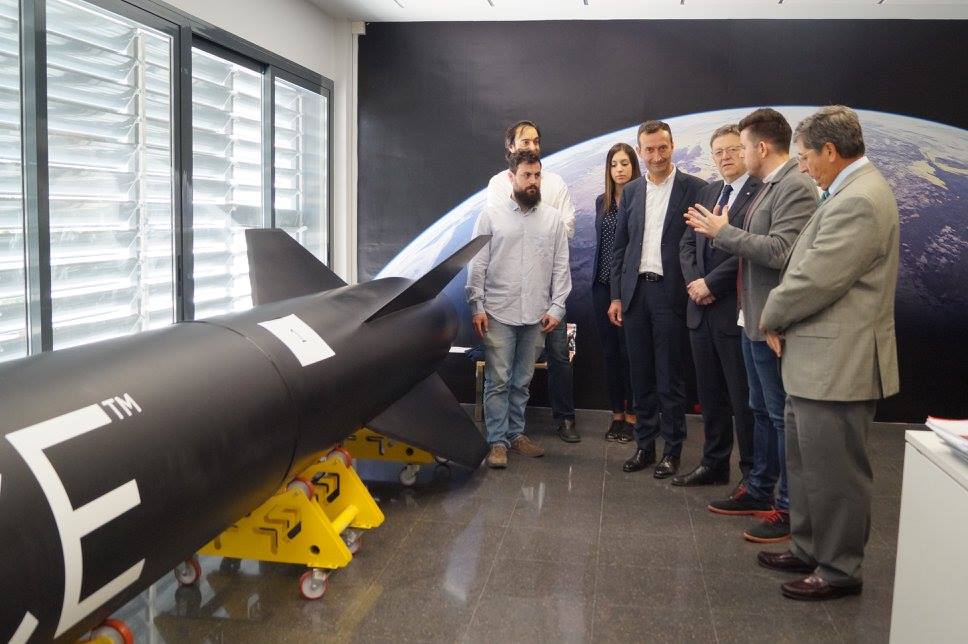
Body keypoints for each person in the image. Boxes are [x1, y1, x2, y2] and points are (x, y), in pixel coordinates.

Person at [756, 106, 899, 601]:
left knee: (836, 475)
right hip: (818, 362)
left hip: (839, 365)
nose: (803, 166)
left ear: (831, 151)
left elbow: (815, 279)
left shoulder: (859, 199)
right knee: (808, 466)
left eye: (806, 157)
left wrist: (771, 314)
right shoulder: (848, 191)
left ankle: (838, 569)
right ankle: (809, 546)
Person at [684, 107, 815, 543]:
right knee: (761, 410)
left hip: (771, 319)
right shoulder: (773, 186)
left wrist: (722, 232)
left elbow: (779, 251)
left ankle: (787, 507)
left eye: (740, 147)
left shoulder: (793, 186)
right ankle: (760, 489)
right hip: (752, 315)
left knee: (778, 416)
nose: (736, 155)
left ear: (760, 147)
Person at [608, 121, 706, 478]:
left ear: (672, 146)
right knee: (641, 376)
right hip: (635, 295)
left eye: (662, 147)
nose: (656, 155)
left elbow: (700, 246)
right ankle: (644, 446)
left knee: (670, 377)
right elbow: (620, 248)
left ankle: (673, 450)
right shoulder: (633, 191)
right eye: (649, 149)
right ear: (640, 151)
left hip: (671, 294)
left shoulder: (695, 188)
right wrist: (616, 296)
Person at [468, 149, 572, 469]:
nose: (533, 181)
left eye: (537, 175)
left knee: (522, 380)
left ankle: (516, 434)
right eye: (526, 175)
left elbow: (561, 266)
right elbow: (477, 264)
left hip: (537, 314)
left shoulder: (552, 219)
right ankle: (497, 442)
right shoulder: (491, 216)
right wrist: (476, 305)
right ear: (512, 177)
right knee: (498, 379)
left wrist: (557, 307)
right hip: (498, 311)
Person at [674, 125, 759, 487]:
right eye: (719, 152)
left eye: (732, 149)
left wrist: (711, 284)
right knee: (710, 395)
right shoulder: (708, 192)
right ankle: (714, 464)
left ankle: (752, 476)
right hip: (700, 310)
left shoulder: (759, 194)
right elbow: (686, 244)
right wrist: (696, 283)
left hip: (732, 310)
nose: (725, 157)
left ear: (746, 151)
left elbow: (751, 251)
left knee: (743, 399)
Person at [486, 121, 579, 443]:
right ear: (511, 147)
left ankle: (561, 420)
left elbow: (566, 228)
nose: (532, 146)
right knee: (501, 374)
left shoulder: (554, 183)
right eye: (525, 141)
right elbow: (498, 230)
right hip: (506, 298)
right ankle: (500, 438)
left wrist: (540, 228)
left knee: (555, 358)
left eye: (536, 141)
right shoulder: (498, 184)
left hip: (545, 293)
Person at [593, 143, 641, 442]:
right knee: (610, 355)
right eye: (614, 164)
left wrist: (621, 293)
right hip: (601, 286)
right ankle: (617, 416)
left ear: (633, 166)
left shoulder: (641, 199)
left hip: (629, 289)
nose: (619, 169)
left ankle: (635, 417)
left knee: (630, 355)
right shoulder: (603, 201)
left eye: (624, 163)